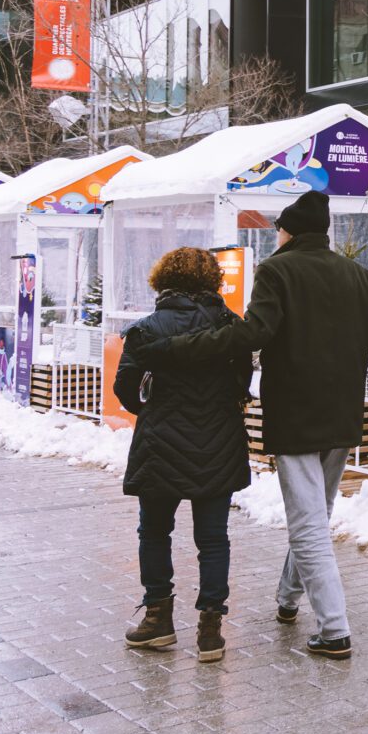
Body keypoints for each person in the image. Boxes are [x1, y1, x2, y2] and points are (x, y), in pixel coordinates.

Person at [133, 190, 368, 660]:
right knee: (315, 514)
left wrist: (180, 350)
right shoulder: (357, 276)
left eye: (279, 227)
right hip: (342, 417)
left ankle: (335, 629)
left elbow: (254, 333)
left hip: (296, 415)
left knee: (307, 524)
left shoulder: (277, 270)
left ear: (289, 231)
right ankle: (287, 598)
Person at [116, 247, 255, 663]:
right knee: (213, 538)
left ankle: (158, 618)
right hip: (218, 440)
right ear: (212, 280)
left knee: (155, 531)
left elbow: (125, 388)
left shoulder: (147, 329)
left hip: (161, 443)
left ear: (163, 279)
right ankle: (210, 629)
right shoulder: (233, 327)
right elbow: (241, 382)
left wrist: (152, 411)